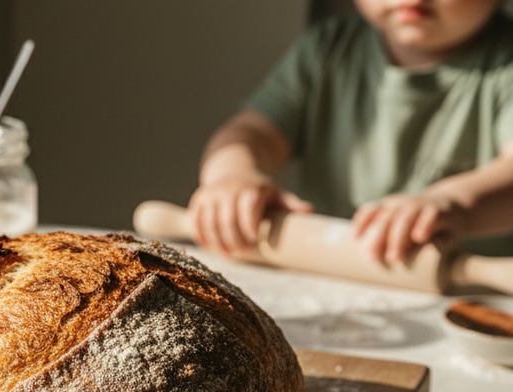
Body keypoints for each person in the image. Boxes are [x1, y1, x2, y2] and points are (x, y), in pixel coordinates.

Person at [189, 0, 513, 263]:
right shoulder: (326, 51)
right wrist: (232, 177)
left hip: (470, 306)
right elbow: (252, 132)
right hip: (335, 288)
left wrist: (451, 201)